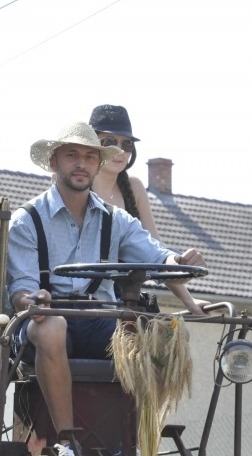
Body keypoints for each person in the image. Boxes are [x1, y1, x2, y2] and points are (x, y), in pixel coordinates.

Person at [6, 121, 207, 456]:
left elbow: (156, 255)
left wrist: (179, 263)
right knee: (52, 327)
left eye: (89, 156)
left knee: (156, 335)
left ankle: (135, 449)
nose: (81, 164)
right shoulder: (26, 220)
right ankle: (65, 448)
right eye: (72, 155)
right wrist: (33, 301)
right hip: (40, 323)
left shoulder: (117, 220)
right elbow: (20, 290)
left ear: (98, 164)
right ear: (54, 163)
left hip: (97, 319)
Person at [89, 104, 209, 315]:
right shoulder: (75, 185)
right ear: (90, 143)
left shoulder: (133, 188)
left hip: (126, 299)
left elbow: (155, 251)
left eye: (126, 144)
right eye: (109, 142)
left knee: (174, 334)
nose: (120, 150)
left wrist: (188, 301)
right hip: (81, 298)